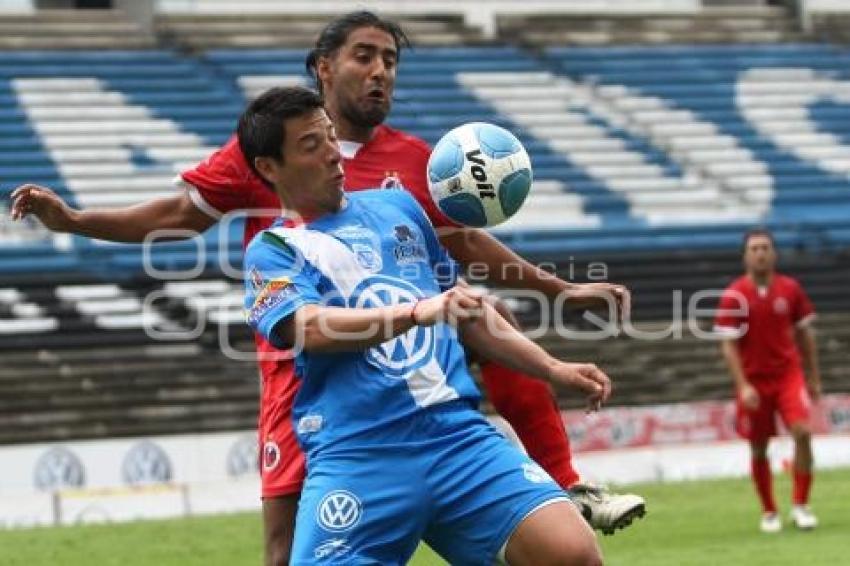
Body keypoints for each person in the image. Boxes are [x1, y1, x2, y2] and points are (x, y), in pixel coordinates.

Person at [9, 11, 643, 564]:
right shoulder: (270, 152)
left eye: (390, 60)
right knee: (284, 548)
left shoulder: (417, 168)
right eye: (364, 56)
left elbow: (467, 250)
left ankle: (561, 485)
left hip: (426, 388)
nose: (380, 72)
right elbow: (177, 217)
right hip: (306, 375)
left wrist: (557, 298)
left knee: (488, 336)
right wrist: (76, 222)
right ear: (322, 67)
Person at [240, 84, 608, 566]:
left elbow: (466, 314)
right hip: (360, 453)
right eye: (312, 146)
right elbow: (310, 327)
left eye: (331, 136)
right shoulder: (273, 251)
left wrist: (552, 368)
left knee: (572, 554)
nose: (334, 154)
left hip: (455, 437)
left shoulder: (400, 209)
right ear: (270, 168)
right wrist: (416, 312)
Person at [714, 228, 821, 533]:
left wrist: (813, 377)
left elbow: (804, 334)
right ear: (745, 255)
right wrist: (743, 385)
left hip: (788, 374)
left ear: (773, 253)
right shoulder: (734, 295)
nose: (760, 253)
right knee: (759, 447)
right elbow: (728, 345)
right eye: (754, 248)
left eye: (765, 247)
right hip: (754, 381)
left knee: (802, 432)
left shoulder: (791, 289)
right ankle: (770, 511)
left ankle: (801, 505)